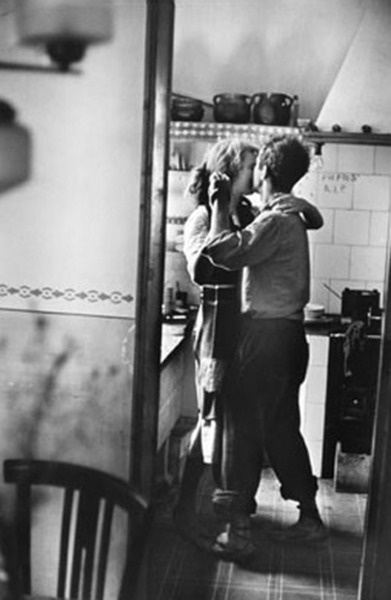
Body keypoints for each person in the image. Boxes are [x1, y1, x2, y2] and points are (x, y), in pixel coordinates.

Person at [174, 137, 323, 550]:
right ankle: (190, 507)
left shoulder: (262, 217)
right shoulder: (213, 217)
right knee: (230, 426)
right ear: (230, 171)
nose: (255, 171)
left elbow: (238, 249)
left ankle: (236, 528)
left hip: (259, 338)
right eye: (248, 163)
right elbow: (205, 266)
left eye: (258, 164)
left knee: (242, 432)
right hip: (225, 336)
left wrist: (298, 206)